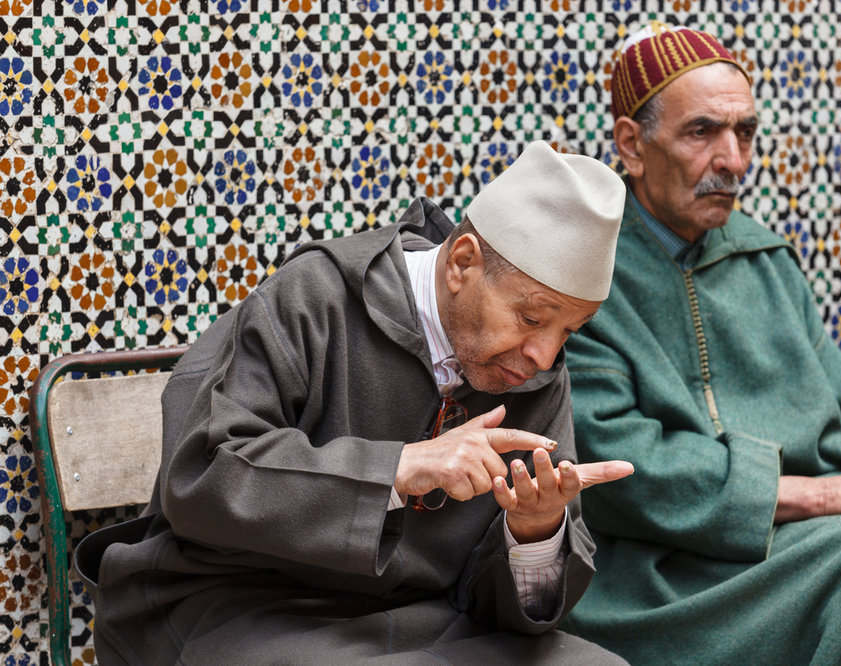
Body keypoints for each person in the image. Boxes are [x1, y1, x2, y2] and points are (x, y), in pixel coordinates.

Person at [75, 140, 635, 665]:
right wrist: (399, 468)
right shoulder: (314, 297)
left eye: (570, 331)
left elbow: (502, 605)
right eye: (532, 317)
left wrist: (534, 534)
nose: (543, 354)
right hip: (236, 607)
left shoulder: (532, 374)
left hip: (418, 624)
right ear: (463, 262)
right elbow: (204, 476)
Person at [560, 22, 841, 665]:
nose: (734, 161)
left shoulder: (768, 263)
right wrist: (815, 495)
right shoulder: (583, 274)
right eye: (702, 132)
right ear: (631, 145)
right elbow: (613, 468)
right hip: (650, 580)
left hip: (787, 554)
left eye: (745, 132)